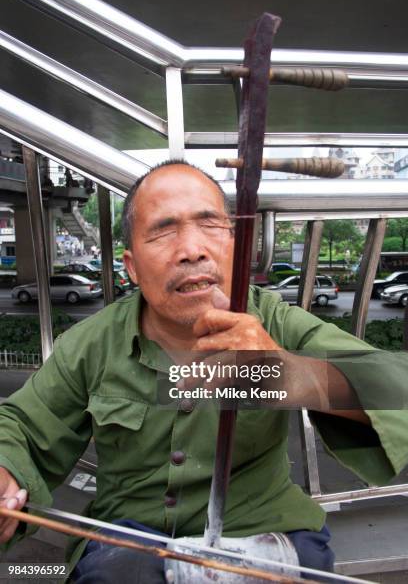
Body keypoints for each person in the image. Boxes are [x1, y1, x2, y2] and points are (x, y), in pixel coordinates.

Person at [0, 161, 407, 583]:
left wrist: (284, 375)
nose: (192, 250)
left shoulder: (276, 321)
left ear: (236, 245)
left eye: (210, 225)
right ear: (132, 265)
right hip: (129, 541)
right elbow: (24, 429)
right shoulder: (90, 344)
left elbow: (396, 388)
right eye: (162, 230)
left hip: (265, 529)